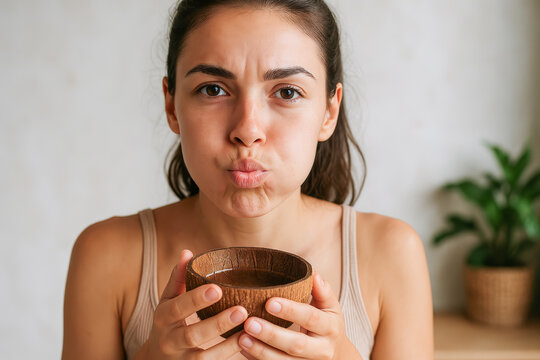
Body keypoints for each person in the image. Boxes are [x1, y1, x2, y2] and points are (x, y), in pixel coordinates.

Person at [62, 0, 434, 359]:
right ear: (172, 105)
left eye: (287, 92)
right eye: (213, 89)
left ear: (329, 111)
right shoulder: (105, 256)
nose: (247, 130)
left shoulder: (391, 254)